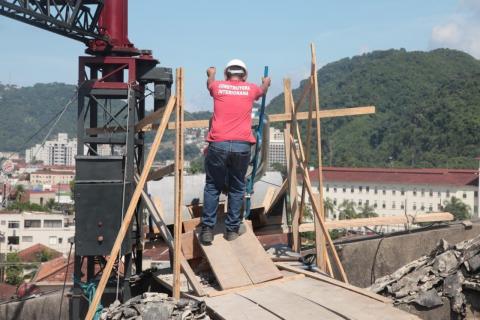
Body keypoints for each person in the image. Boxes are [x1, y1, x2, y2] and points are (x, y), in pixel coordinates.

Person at [200, 59, 271, 244]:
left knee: (213, 186)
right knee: (237, 186)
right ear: (244, 75)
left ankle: (207, 230)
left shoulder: (218, 86)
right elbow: (263, 90)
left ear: (226, 74)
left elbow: (210, 84)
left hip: (218, 144)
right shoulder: (251, 88)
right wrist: (266, 82)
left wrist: (211, 73)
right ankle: (232, 230)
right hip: (241, 146)